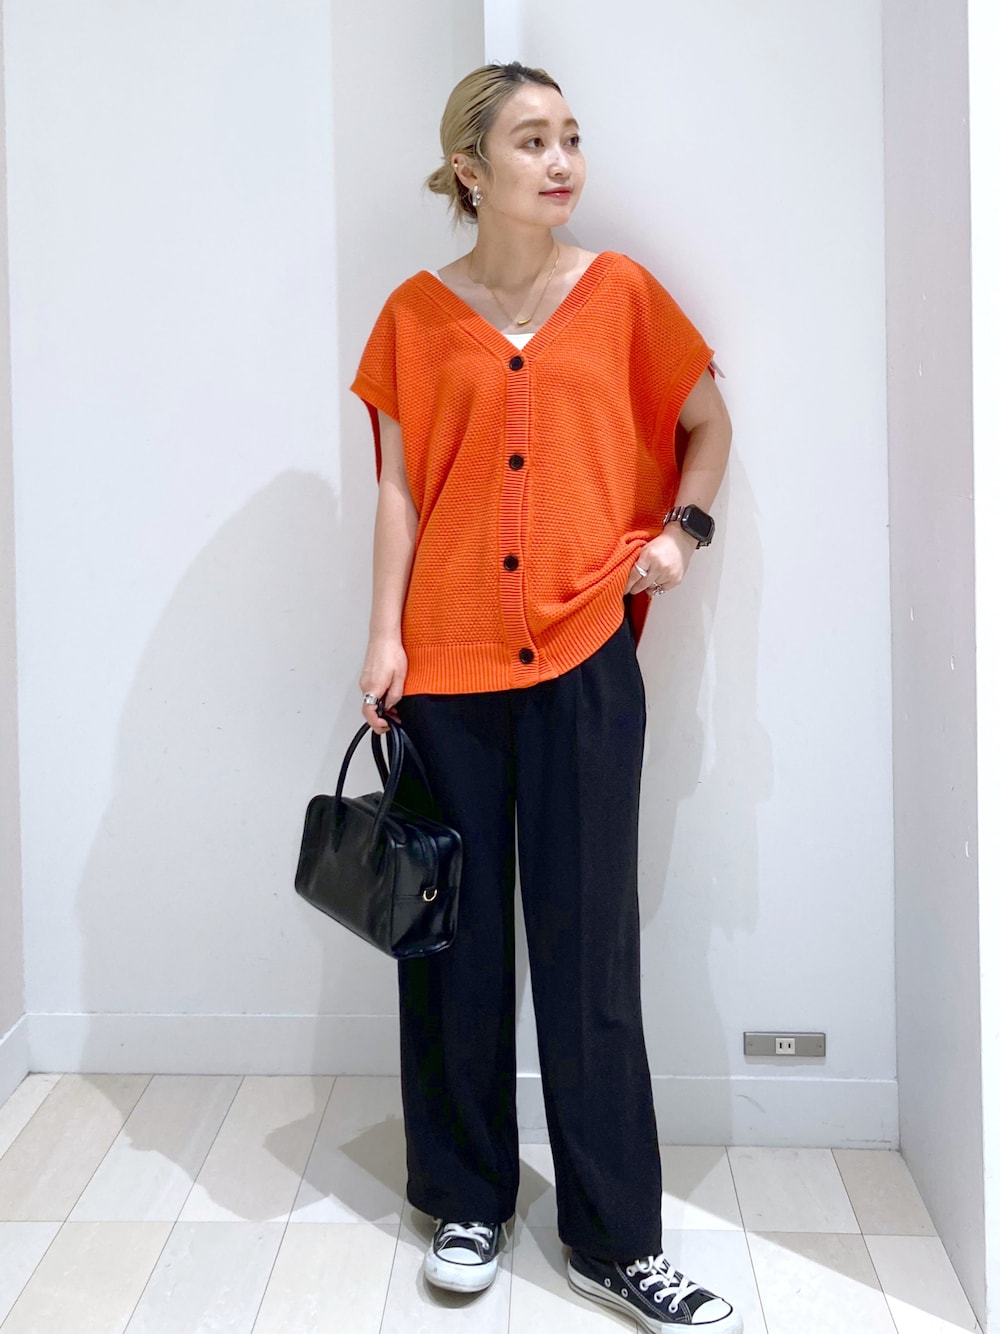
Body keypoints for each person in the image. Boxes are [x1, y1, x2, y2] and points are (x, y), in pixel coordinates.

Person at [350, 61, 739, 1334]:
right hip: (445, 673)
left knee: (590, 956)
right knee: (451, 950)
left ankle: (614, 1240)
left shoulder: (621, 294)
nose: (562, 160)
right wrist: (383, 637)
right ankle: (466, 1198)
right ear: (470, 170)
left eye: (571, 136)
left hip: (584, 662)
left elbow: (707, 422)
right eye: (531, 140)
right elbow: (400, 486)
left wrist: (680, 533)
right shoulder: (414, 317)